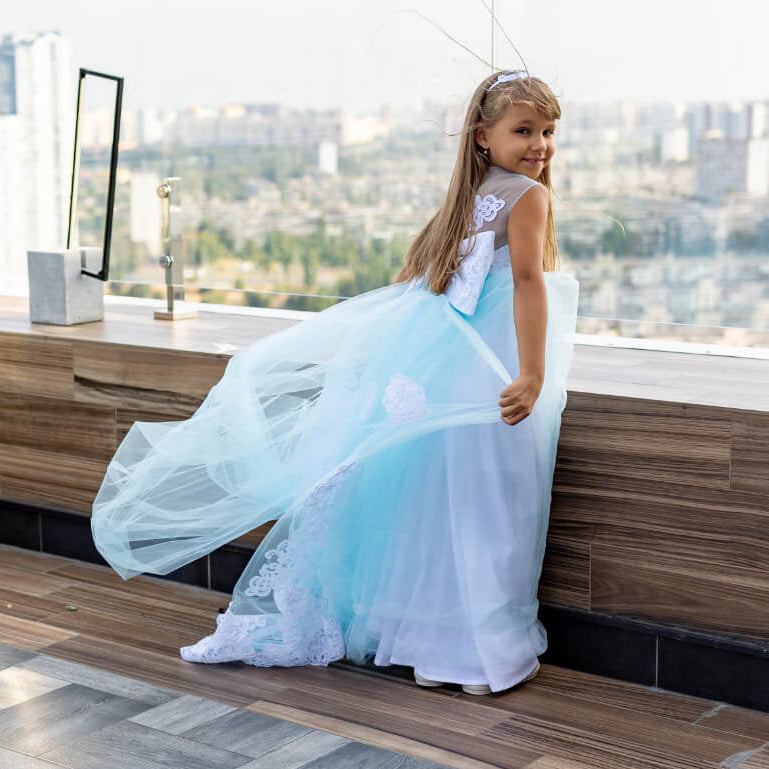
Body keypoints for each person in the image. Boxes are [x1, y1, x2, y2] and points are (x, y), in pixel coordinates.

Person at [91, 69, 579, 696]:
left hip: (447, 367)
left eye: (547, 131)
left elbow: (422, 283)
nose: (540, 145)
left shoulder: (469, 195)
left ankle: (427, 647)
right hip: (491, 365)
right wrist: (532, 373)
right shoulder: (528, 197)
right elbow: (529, 282)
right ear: (484, 137)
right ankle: (477, 656)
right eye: (524, 131)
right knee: (491, 507)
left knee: (437, 508)